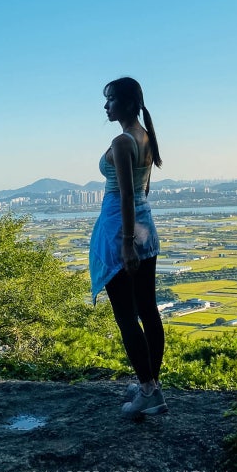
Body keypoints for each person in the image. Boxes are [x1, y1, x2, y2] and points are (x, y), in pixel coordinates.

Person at [89, 77, 167, 418]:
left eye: (109, 100)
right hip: (145, 227)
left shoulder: (122, 141)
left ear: (124, 103)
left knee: (125, 316)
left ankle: (148, 391)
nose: (106, 107)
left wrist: (125, 244)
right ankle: (152, 383)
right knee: (148, 310)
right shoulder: (146, 137)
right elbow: (142, 191)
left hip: (122, 230)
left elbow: (125, 193)